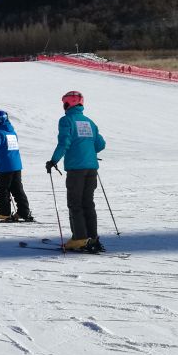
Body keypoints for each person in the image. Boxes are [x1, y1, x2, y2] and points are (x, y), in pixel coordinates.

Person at [45, 91, 107, 252]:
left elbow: (64, 143)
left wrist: (53, 161)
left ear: (68, 104)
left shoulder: (66, 120)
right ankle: (92, 238)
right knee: (88, 203)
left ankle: (80, 239)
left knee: (75, 204)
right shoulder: (89, 122)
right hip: (91, 168)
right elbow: (100, 145)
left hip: (76, 170)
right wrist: (87, 150)